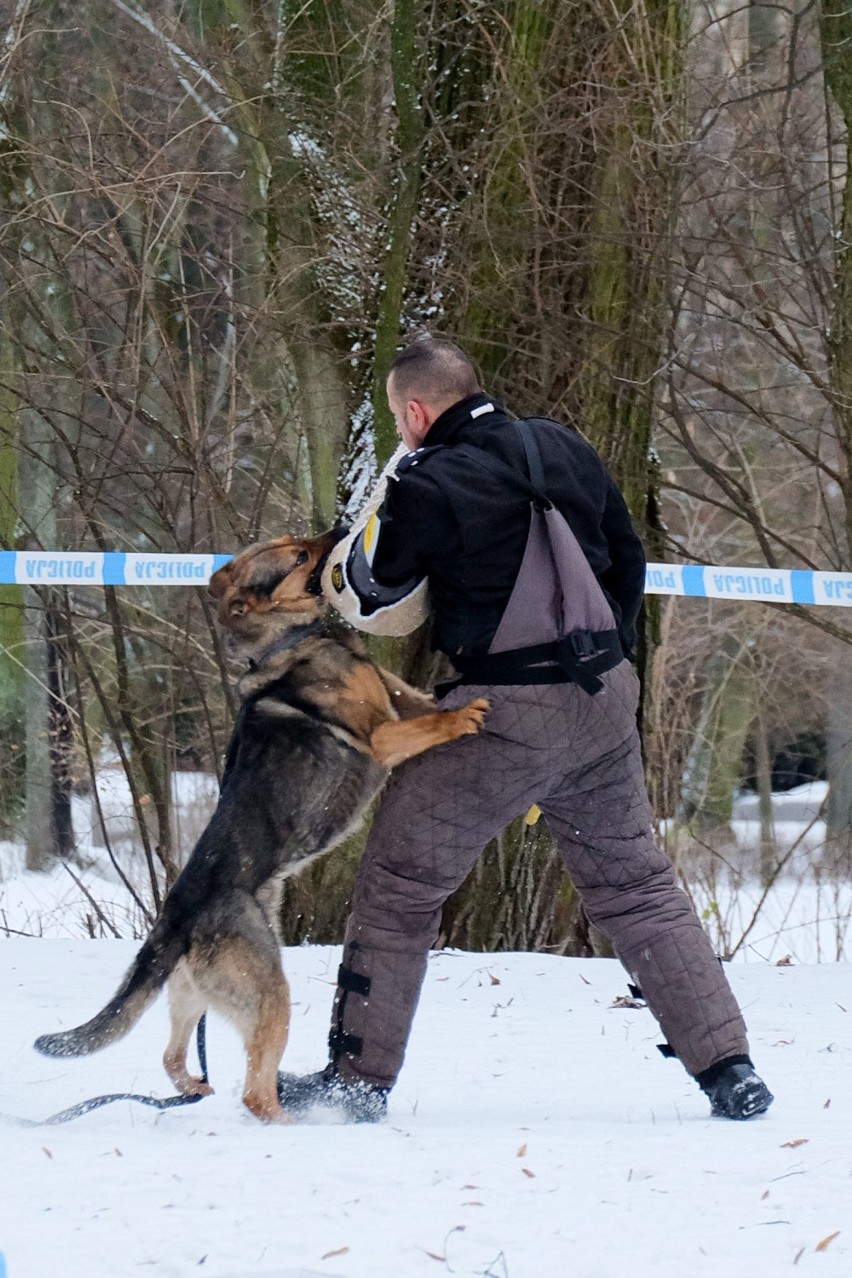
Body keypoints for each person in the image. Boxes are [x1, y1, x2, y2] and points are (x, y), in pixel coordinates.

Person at [277, 337, 773, 1123]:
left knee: (402, 885)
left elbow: (373, 587)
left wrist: (362, 526)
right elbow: (628, 554)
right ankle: (730, 1070)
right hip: (605, 695)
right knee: (639, 888)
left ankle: (356, 1080)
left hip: (503, 713)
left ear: (414, 413)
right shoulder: (564, 443)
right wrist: (612, 657)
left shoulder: (429, 481)